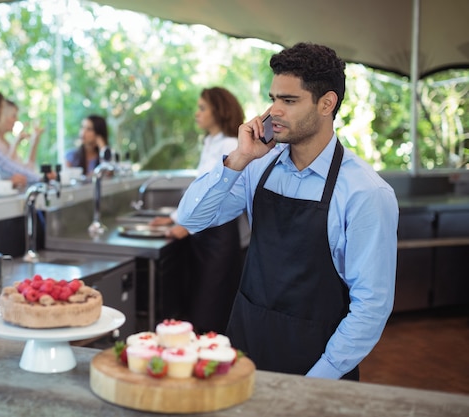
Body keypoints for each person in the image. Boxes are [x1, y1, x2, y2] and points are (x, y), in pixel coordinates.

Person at [176, 42, 399, 380]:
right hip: (245, 349)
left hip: (317, 365)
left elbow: (371, 308)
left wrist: (315, 382)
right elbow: (192, 218)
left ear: (326, 103)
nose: (274, 111)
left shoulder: (366, 192)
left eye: (289, 100)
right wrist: (237, 160)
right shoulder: (255, 168)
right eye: (273, 98)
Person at [150, 86, 246, 334]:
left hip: (219, 236)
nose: (196, 114)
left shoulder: (231, 143)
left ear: (219, 110)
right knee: (199, 306)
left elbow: (225, 197)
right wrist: (174, 218)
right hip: (203, 234)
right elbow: (201, 190)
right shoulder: (210, 142)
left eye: (202, 108)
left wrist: (184, 225)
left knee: (210, 308)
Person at [0, 99, 43, 170]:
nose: (17, 120)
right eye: (13, 116)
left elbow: (27, 170)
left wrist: (35, 141)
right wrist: (16, 142)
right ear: (2, 116)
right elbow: (7, 169)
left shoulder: (7, 143)